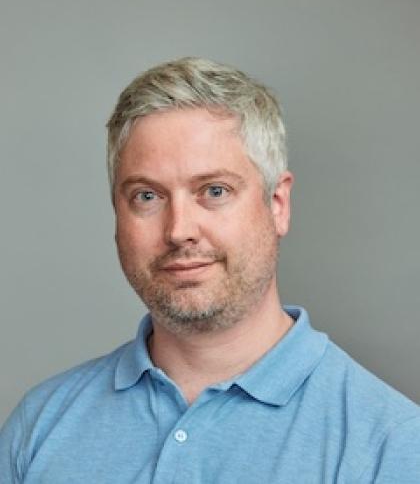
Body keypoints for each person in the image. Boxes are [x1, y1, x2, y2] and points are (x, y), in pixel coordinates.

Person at [1, 57, 419, 484]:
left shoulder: (390, 446)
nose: (179, 230)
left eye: (214, 191)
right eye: (147, 196)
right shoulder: (38, 430)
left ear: (277, 204)